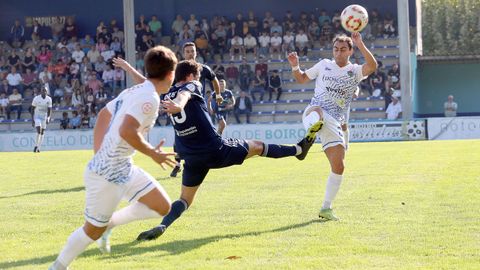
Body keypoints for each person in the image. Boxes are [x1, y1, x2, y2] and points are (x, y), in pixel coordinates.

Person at [117, 60, 310, 242]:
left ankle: (163, 225)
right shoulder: (192, 86)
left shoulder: (165, 93)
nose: (200, 80)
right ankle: (298, 150)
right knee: (258, 146)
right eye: (198, 76)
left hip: (191, 157)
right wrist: (179, 105)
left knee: (184, 199)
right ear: (191, 76)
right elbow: (185, 96)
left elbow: (145, 82)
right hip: (214, 149)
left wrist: (128, 68)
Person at [49, 46, 178, 270]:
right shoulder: (149, 98)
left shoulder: (135, 90)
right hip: (106, 173)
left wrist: (99, 150)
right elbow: (127, 131)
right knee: (92, 230)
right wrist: (153, 154)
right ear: (171, 74)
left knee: (162, 206)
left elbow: (103, 114)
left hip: (123, 166)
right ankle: (58, 267)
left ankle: (109, 225)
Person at [287, 32, 377, 221]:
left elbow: (373, 66)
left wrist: (360, 42)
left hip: (334, 121)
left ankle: (326, 208)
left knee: (339, 166)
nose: (338, 53)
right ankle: (311, 131)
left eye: (343, 49)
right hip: (314, 111)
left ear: (350, 51)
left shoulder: (355, 71)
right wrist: (295, 65)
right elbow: (302, 78)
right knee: (319, 113)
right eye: (336, 49)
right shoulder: (323, 65)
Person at [31, 86, 52, 153]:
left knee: (42, 132)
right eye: (43, 90)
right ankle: (36, 145)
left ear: (47, 92)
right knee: (38, 130)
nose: (44, 92)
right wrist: (32, 119)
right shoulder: (36, 98)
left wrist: (48, 118)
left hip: (44, 117)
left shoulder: (49, 99)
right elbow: (32, 109)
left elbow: (49, 110)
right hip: (37, 116)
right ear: (41, 91)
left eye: (45, 91)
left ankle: (38, 147)